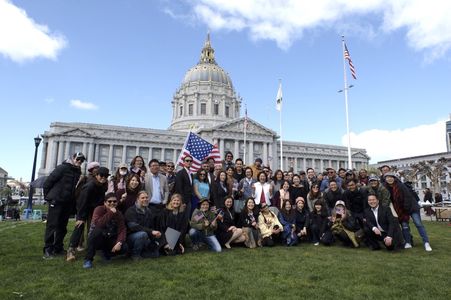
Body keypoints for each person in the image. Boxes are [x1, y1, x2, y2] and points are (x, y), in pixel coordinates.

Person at [43, 152, 84, 259]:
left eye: (82, 160)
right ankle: (48, 249)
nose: (79, 161)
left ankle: (58, 247)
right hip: (56, 201)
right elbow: (48, 182)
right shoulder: (62, 168)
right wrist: (48, 197)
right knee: (52, 226)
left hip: (67, 202)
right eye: (78, 159)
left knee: (62, 227)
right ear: (73, 158)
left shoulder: (78, 171)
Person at [67, 167, 109, 262]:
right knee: (79, 227)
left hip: (94, 209)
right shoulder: (89, 186)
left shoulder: (103, 185)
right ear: (97, 175)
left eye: (105, 176)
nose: (103, 177)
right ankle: (71, 249)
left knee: (94, 228)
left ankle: (92, 247)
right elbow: (82, 201)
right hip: (84, 209)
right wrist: (81, 217)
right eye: (101, 175)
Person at [383, 172, 432, 251]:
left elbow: (408, 197)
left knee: (418, 224)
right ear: (385, 179)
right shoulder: (386, 188)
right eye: (387, 177)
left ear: (394, 178)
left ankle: (426, 242)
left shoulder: (400, 185)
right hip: (401, 210)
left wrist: (405, 209)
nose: (389, 179)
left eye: (391, 177)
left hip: (411, 207)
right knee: (405, 226)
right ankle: (408, 242)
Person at [83, 193, 127, 268]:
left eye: (114, 201)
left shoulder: (119, 213)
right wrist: (110, 213)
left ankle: (106, 253)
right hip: (97, 238)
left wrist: (119, 242)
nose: (112, 203)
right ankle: (88, 259)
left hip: (110, 237)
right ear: (105, 203)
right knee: (97, 232)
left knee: (124, 247)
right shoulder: (99, 209)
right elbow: (99, 224)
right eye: (109, 201)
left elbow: (122, 229)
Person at [124, 191, 162, 260]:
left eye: (146, 198)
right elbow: (134, 227)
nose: (145, 199)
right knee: (142, 234)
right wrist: (151, 232)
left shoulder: (149, 211)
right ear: (137, 199)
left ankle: (140, 252)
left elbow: (151, 227)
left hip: (146, 236)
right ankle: (135, 255)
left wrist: (155, 235)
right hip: (131, 238)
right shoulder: (130, 211)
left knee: (156, 254)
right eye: (142, 198)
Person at [175, 155, 194, 220]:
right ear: (183, 162)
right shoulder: (180, 173)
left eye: (190, 161)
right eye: (187, 160)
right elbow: (179, 188)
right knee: (181, 218)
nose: (189, 162)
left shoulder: (191, 174)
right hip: (183, 201)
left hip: (189, 200)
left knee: (187, 218)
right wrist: (182, 202)